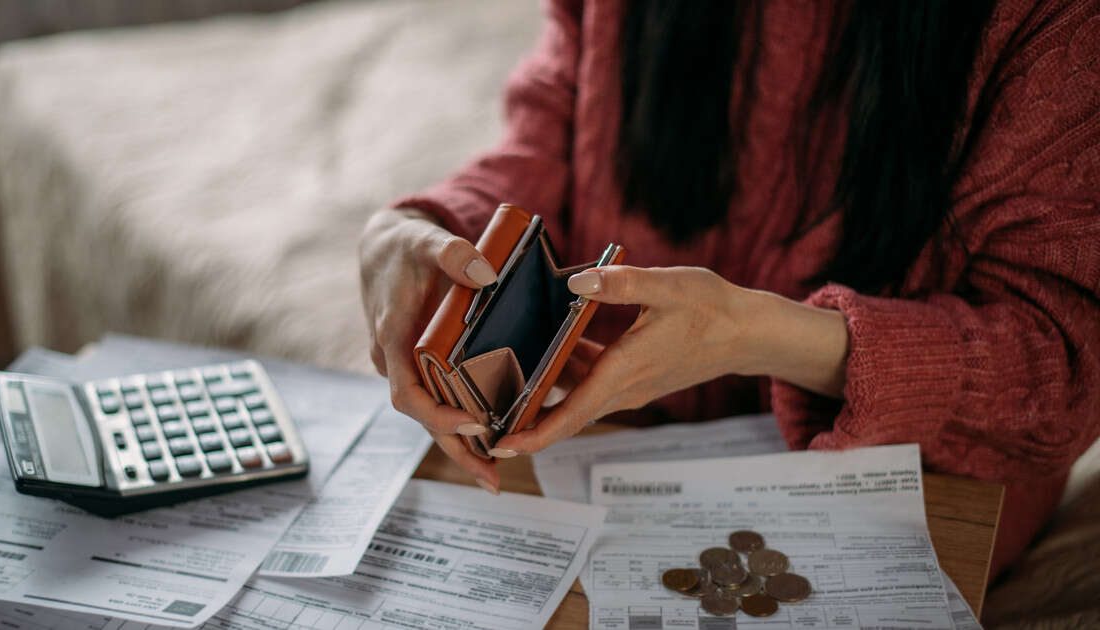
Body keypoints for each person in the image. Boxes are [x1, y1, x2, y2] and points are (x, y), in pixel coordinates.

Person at [358, 0, 1100, 577]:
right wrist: (419, 225)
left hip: (910, 495)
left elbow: (1065, 365)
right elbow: (557, 109)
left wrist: (760, 337)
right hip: (602, 444)